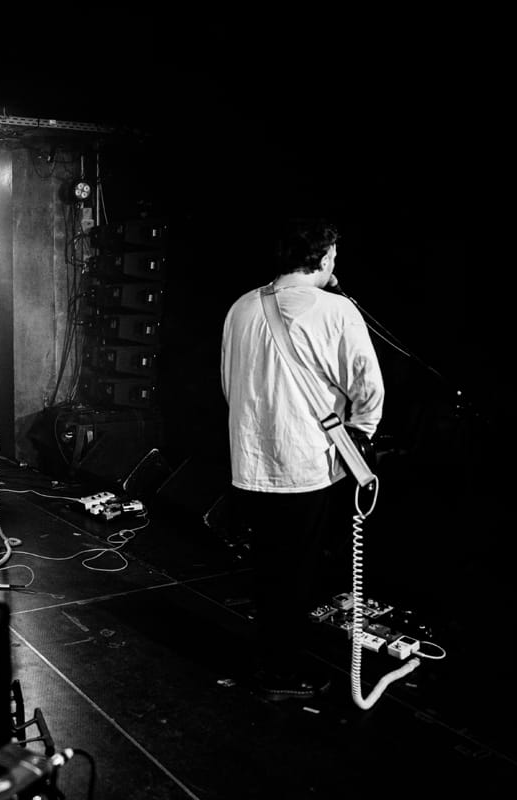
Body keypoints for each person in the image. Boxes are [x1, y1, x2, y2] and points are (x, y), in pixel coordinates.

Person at [221, 219, 384, 700]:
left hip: (249, 463)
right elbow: (367, 385)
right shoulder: (337, 310)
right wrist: (362, 435)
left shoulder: (241, 307)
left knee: (266, 570)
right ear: (325, 256)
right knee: (298, 575)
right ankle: (283, 674)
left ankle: (270, 661)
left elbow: (230, 385)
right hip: (305, 466)